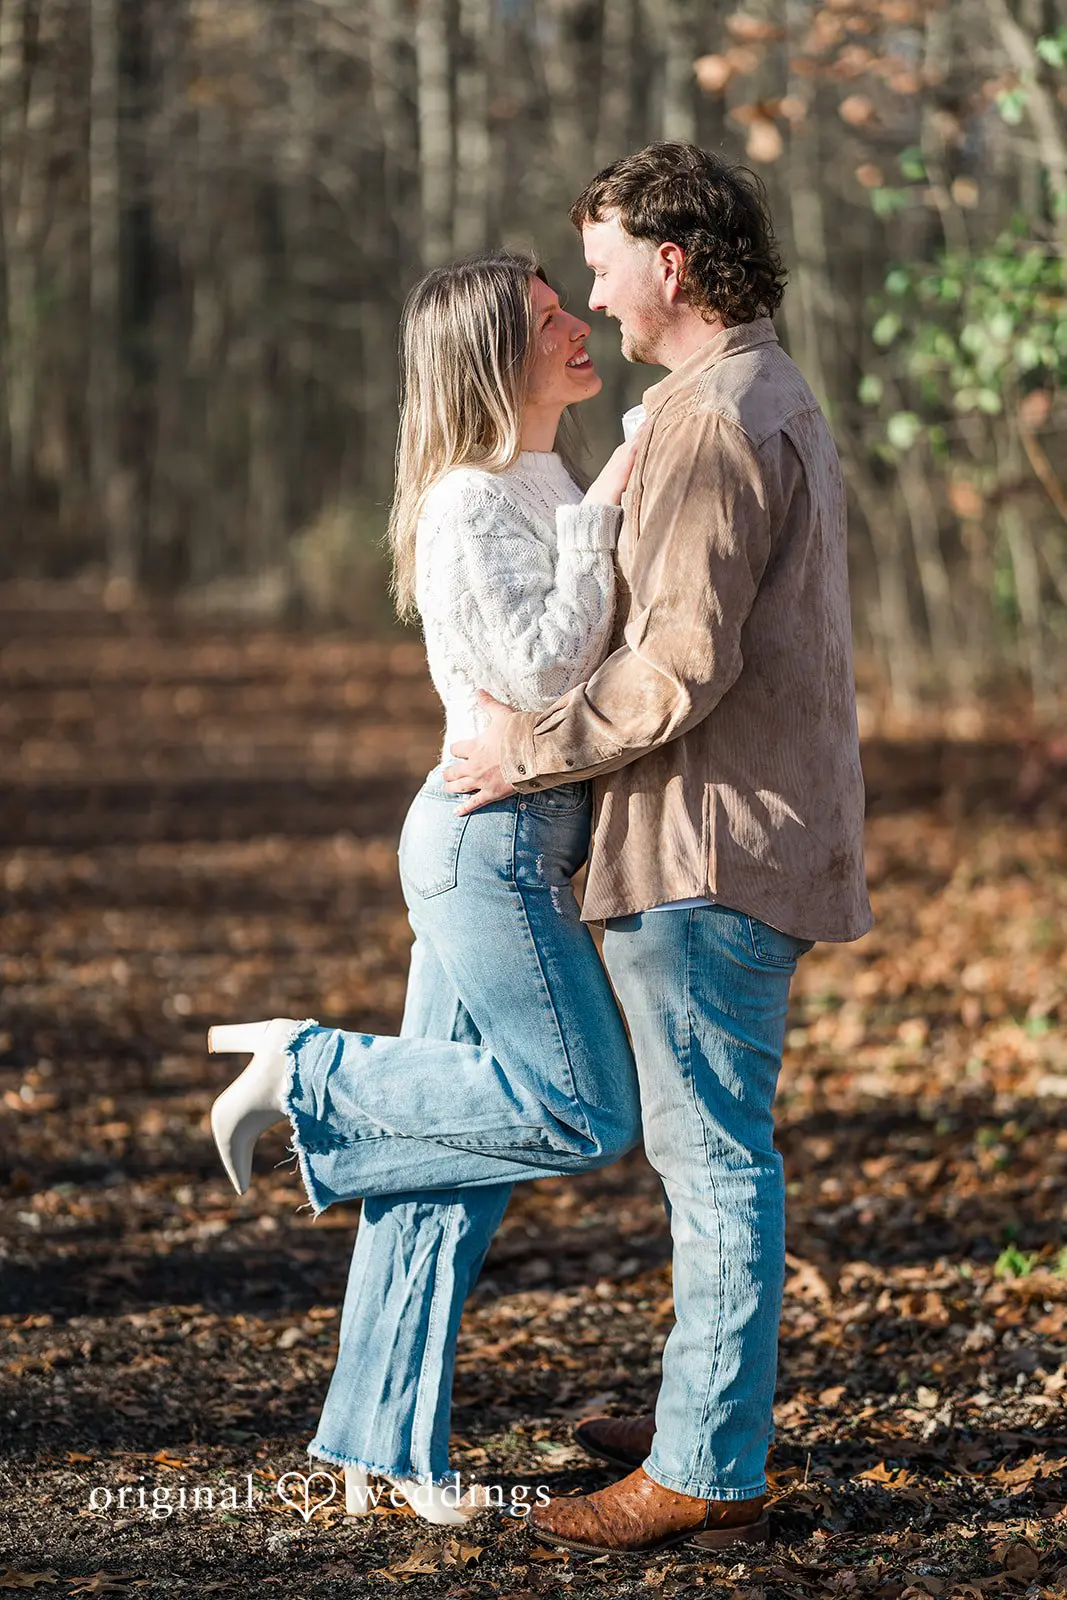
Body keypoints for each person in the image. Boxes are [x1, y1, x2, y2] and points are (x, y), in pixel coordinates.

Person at [443, 142, 873, 1555]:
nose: (591, 289)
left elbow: (675, 668)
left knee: (710, 1156)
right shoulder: (754, 386)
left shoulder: (704, 422)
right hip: (743, 829)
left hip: (703, 843)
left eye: (604, 258)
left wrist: (525, 748)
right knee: (708, 1144)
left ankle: (702, 1465)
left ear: (668, 264)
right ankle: (710, 1404)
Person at [204, 252, 646, 1524]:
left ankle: (379, 1444)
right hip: (485, 847)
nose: (576, 326)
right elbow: (544, 665)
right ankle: (307, 1071)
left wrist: (588, 503)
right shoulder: (469, 500)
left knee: (442, 1166)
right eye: (547, 320)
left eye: (570, 305)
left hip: (515, 841)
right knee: (579, 1109)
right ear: (489, 358)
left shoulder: (541, 473)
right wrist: (600, 514)